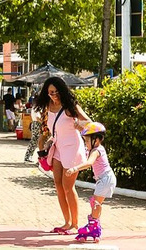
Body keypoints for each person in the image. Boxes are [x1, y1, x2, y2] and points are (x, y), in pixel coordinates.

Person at [34, 76, 92, 235]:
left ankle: (75, 224)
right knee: (58, 185)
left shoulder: (70, 106)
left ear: (62, 91)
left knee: (68, 187)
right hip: (58, 147)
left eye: (56, 92)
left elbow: (89, 122)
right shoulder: (48, 106)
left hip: (72, 148)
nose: (53, 96)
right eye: (50, 93)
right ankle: (67, 222)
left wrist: (79, 125)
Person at [65, 122, 117, 243]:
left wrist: (74, 169)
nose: (86, 143)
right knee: (96, 203)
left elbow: (89, 163)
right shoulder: (94, 148)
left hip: (105, 179)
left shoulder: (97, 150)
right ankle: (95, 226)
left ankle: (93, 226)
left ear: (97, 140)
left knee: (96, 203)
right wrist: (78, 127)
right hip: (103, 179)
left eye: (87, 141)